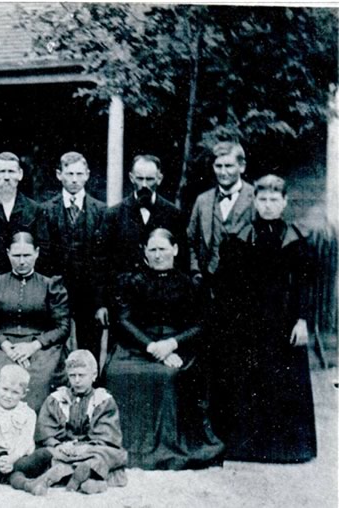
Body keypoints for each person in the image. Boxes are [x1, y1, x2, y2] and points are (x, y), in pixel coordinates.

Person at [211, 174, 316, 463]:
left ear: (284, 202)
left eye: (274, 200)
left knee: (284, 381)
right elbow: (226, 287)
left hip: (284, 322)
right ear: (254, 201)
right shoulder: (242, 237)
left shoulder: (296, 239)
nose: (268, 206)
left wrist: (303, 320)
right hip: (248, 324)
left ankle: (287, 448)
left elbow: (305, 285)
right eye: (263, 199)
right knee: (248, 381)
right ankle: (249, 448)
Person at [105, 228, 224, 469]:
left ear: (175, 250)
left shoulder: (190, 284)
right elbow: (124, 320)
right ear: (145, 253)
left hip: (179, 346)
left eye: (163, 249)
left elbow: (201, 324)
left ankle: (168, 444)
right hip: (138, 345)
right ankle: (118, 445)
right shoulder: (132, 281)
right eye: (153, 250)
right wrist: (151, 346)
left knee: (168, 375)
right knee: (115, 373)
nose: (158, 255)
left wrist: (172, 344)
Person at [0, 232, 70, 412]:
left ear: (37, 253)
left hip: (40, 347)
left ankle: (39, 434)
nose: (22, 261)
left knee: (38, 378)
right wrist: (4, 344)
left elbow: (63, 327)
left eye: (27, 255)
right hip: (0, 346)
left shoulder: (50, 285)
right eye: (16, 256)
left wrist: (34, 346)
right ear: (8, 253)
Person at [96, 155, 186, 330]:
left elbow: (181, 259)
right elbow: (100, 262)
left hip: (162, 302)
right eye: (140, 178)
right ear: (131, 178)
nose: (144, 184)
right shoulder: (113, 215)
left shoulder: (173, 214)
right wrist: (101, 304)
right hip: (122, 302)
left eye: (150, 179)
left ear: (159, 178)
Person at [38, 152, 107, 359]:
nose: (74, 179)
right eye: (69, 174)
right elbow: (44, 258)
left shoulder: (101, 211)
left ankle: (92, 387)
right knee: (55, 345)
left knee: (90, 347)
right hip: (58, 291)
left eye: (79, 174)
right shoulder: (45, 211)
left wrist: (101, 301)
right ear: (59, 175)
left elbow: (104, 260)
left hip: (90, 294)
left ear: (87, 175)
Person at [35, 350, 129, 495]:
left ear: (93, 376)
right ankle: (91, 480)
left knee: (108, 455)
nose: (77, 380)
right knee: (49, 454)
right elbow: (46, 431)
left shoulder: (103, 400)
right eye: (72, 376)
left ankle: (78, 475)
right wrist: (59, 445)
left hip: (92, 450)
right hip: (65, 449)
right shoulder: (57, 399)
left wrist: (86, 448)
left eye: (81, 375)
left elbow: (107, 437)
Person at [186, 141, 255, 290]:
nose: (223, 172)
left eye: (229, 166)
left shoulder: (256, 199)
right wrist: (195, 270)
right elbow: (189, 240)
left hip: (246, 286)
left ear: (242, 167)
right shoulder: (203, 200)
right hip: (209, 283)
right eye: (218, 166)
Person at [0, 365, 48, 495]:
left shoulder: (29, 414)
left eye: (15, 392)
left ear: (24, 393)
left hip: (19, 458)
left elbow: (26, 442)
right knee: (16, 474)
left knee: (44, 454)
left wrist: (12, 459)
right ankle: (27, 485)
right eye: (5, 389)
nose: (8, 395)